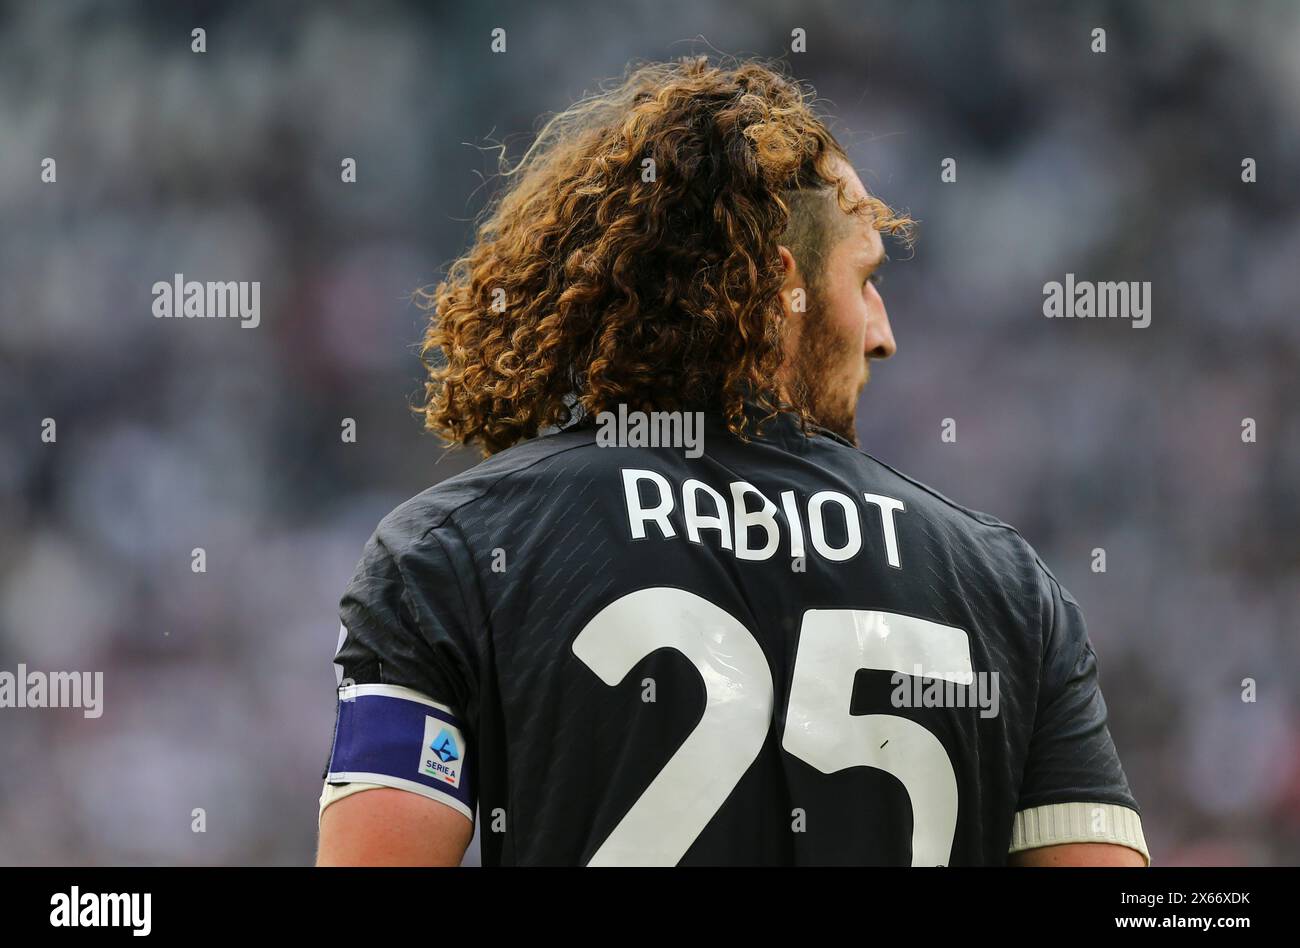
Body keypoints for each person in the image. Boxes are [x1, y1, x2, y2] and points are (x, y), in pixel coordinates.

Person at [316, 55, 1147, 866]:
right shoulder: (1007, 591)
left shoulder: (450, 553)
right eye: (865, 282)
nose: (884, 335)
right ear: (778, 288)